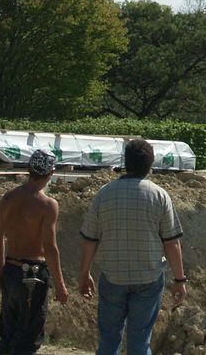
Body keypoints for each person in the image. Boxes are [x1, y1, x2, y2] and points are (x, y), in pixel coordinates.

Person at [78, 138, 187, 355]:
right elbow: (171, 243)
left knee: (109, 339)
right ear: (150, 164)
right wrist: (179, 280)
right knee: (140, 340)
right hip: (148, 278)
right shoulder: (159, 196)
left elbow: (91, 239)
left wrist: (84, 274)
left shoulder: (104, 194)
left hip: (113, 277)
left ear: (125, 162)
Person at [0, 149, 69, 355]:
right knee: (29, 335)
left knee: (7, 332)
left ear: (28, 169)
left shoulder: (9, 198)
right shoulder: (48, 205)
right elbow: (50, 248)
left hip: (11, 268)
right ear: (50, 174)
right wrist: (60, 285)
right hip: (34, 273)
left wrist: (0, 269)